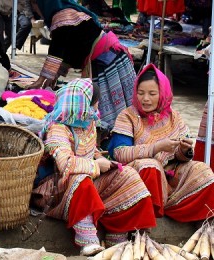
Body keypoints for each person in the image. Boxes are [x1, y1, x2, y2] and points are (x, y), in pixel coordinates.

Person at [32, 78, 156, 256]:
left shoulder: (87, 123)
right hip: (57, 188)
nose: (97, 109)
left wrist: (101, 159)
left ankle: (117, 236)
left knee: (127, 174)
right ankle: (87, 240)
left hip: (88, 180)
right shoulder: (58, 128)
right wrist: (96, 165)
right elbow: (65, 163)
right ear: (82, 105)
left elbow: (90, 150)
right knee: (80, 177)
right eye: (95, 104)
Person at [108, 64, 214, 223]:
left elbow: (181, 158)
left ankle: (191, 215)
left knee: (202, 170)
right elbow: (120, 153)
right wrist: (156, 148)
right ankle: (147, 218)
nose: (145, 99)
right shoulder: (128, 116)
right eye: (141, 93)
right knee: (151, 166)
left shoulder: (174, 117)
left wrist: (184, 151)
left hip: (170, 176)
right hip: (138, 176)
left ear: (163, 94)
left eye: (152, 94)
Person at [27, 0, 136, 131]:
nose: (35, 9)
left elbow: (56, 51)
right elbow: (66, 51)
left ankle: (119, 137)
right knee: (119, 106)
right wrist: (52, 76)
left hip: (108, 61)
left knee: (112, 109)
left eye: (34, 4)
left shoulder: (62, 17)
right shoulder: (66, 16)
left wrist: (41, 80)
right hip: (108, 58)